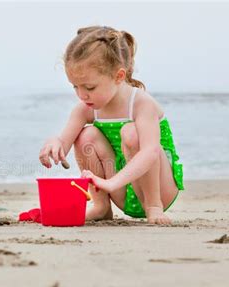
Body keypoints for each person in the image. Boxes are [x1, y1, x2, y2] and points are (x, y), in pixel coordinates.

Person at [39, 26, 184, 225]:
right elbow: (64, 142)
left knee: (131, 133)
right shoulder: (85, 109)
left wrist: (112, 182)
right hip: (120, 191)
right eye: (75, 87)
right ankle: (101, 207)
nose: (82, 95)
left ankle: (153, 207)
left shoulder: (141, 104)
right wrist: (54, 144)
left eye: (89, 87)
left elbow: (150, 152)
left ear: (118, 76)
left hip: (160, 188)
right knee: (85, 135)